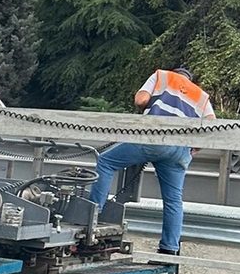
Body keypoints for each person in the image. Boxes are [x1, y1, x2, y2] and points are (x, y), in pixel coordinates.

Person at [91, 66, 216, 254]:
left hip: (154, 138)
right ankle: (169, 248)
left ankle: (93, 216)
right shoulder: (200, 95)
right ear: (190, 79)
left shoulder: (162, 76)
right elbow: (211, 123)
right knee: (173, 200)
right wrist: (196, 146)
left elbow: (140, 99)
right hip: (180, 150)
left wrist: (145, 109)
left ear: (175, 73)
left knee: (106, 162)